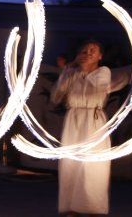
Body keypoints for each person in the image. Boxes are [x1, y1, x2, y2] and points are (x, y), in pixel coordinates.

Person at [51, 40, 111, 216]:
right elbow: (56, 96)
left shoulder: (103, 72)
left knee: (92, 168)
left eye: (93, 50)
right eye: (84, 50)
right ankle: (72, 210)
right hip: (73, 120)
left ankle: (92, 209)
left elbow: (98, 86)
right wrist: (67, 71)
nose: (88, 53)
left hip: (94, 120)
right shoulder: (71, 73)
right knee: (71, 166)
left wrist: (81, 69)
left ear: (100, 56)